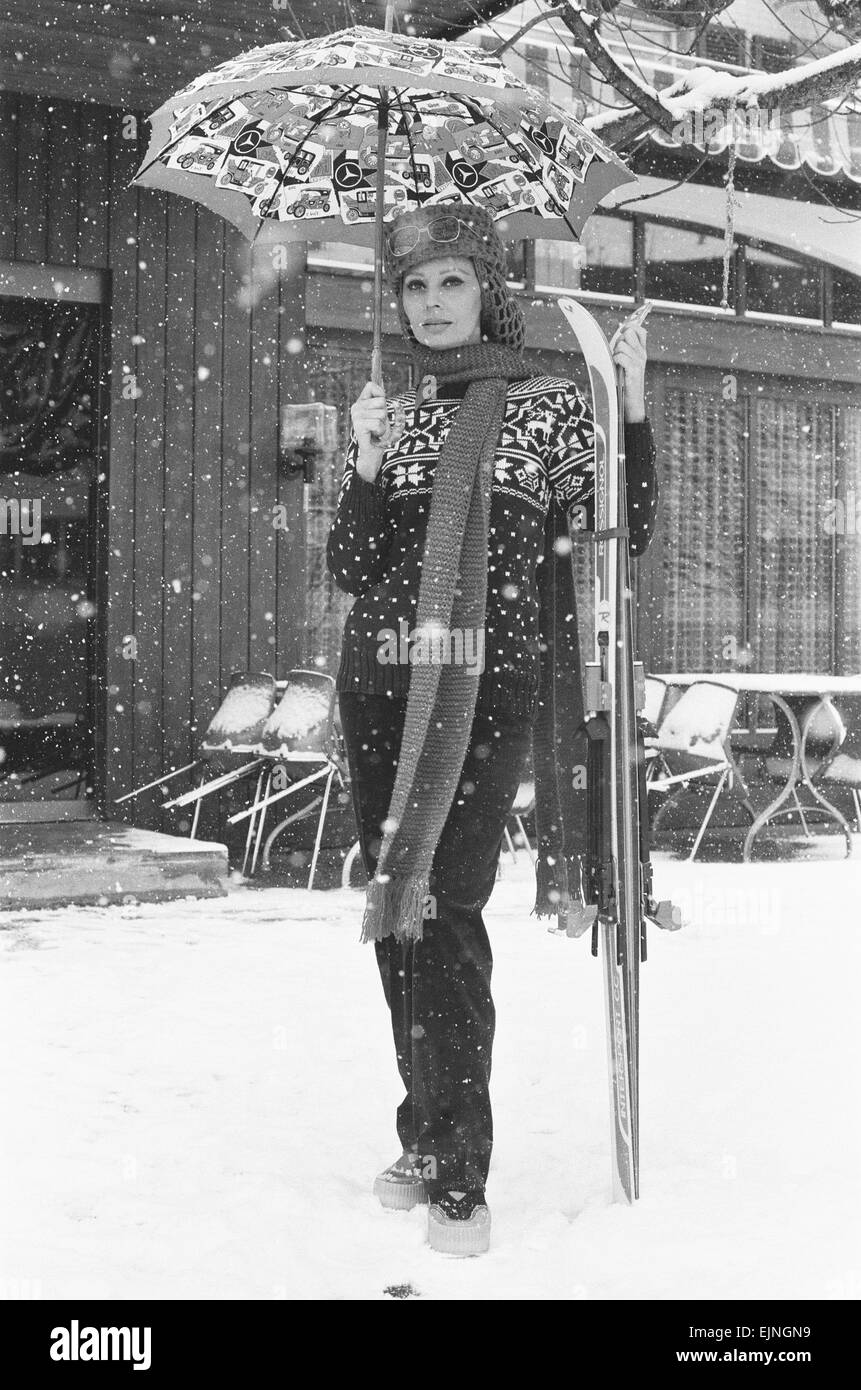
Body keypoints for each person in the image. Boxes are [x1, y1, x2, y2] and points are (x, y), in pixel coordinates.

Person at [326, 201, 658, 1257]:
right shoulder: (399, 414)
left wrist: (634, 403)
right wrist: (369, 459)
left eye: (450, 283)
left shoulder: (550, 408)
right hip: (381, 683)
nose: (430, 304)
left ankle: (458, 1169)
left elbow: (624, 525)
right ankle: (421, 1137)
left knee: (450, 905)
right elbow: (353, 568)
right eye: (415, 287)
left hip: (486, 686)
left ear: (490, 290)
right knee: (398, 913)